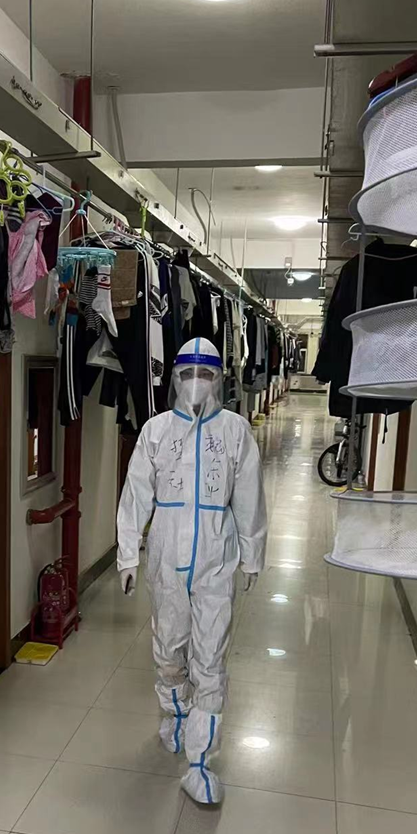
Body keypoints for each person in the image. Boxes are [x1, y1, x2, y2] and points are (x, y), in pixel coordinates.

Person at [117, 337, 267, 804]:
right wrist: (128, 554)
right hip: (166, 558)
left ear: (219, 379)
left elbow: (250, 497)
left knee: (210, 660)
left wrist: (252, 554)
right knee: (168, 650)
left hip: (216, 560)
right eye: (188, 373)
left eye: (206, 374)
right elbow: (135, 496)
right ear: (175, 378)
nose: (197, 383)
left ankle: (200, 763)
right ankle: (176, 715)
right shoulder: (156, 431)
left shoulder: (235, 432)